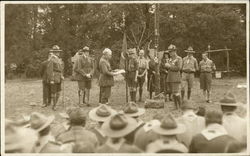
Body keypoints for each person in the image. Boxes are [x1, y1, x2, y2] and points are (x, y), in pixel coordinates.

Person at [47, 45, 64, 110]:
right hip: (54, 78)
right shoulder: (51, 59)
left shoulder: (58, 59)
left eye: (58, 51)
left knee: (58, 92)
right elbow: (49, 70)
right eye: (57, 51)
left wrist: (61, 75)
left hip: (59, 77)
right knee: (54, 93)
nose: (58, 53)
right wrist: (51, 79)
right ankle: (54, 106)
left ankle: (55, 104)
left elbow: (61, 69)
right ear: (54, 52)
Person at [165, 44, 183, 109]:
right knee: (173, 93)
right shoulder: (170, 59)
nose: (169, 53)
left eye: (171, 51)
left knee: (176, 92)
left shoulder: (179, 58)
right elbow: (168, 68)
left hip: (175, 78)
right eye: (169, 52)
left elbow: (179, 68)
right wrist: (166, 66)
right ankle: (176, 106)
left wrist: (169, 66)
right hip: (170, 77)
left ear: (174, 51)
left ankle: (181, 106)